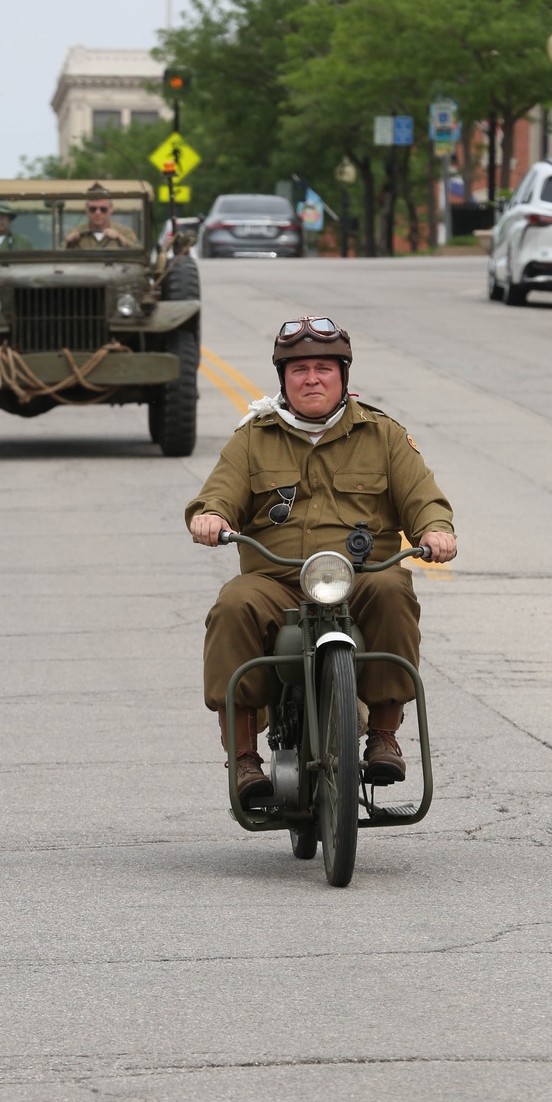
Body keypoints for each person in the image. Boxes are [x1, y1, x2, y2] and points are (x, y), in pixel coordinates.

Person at [186, 316, 456, 806]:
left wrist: (435, 530)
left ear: (343, 376)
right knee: (232, 606)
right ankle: (244, 758)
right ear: (284, 380)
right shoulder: (253, 438)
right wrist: (211, 516)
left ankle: (384, 736)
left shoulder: (383, 435)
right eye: (300, 369)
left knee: (396, 590)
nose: (312, 378)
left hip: (362, 575)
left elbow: (422, 496)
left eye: (324, 368)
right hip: (277, 578)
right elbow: (218, 494)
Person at [65, 185, 139, 249]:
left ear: (111, 209)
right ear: (86, 209)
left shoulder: (125, 232)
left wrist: (119, 237)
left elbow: (138, 253)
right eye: (93, 209)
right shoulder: (75, 232)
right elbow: (60, 255)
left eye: (103, 209)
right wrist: (70, 242)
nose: (98, 213)